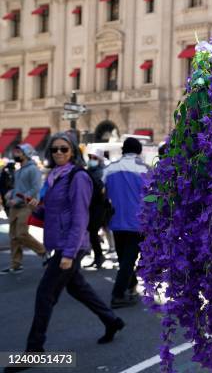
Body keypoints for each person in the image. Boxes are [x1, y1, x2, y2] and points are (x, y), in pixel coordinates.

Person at [5, 133, 124, 373]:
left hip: (71, 245)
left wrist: (69, 254)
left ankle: (34, 350)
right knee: (78, 288)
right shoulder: (54, 178)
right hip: (60, 243)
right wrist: (36, 209)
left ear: (73, 152)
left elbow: (80, 217)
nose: (58, 153)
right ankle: (112, 321)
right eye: (54, 149)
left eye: (64, 149)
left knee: (44, 295)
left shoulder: (77, 177)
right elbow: (52, 214)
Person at [103, 137, 148, 308]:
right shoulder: (145, 169)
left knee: (124, 259)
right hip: (137, 222)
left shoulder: (110, 168)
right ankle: (118, 294)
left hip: (115, 220)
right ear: (139, 151)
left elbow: (101, 189)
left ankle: (130, 285)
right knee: (128, 260)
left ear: (123, 150)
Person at [1, 144, 47, 274]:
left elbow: (35, 188)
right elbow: (18, 188)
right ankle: (15, 265)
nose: (15, 154)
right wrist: (11, 193)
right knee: (13, 237)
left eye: (18, 152)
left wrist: (19, 198)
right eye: (15, 152)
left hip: (26, 206)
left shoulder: (33, 169)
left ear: (26, 154)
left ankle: (43, 251)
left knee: (21, 233)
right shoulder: (19, 170)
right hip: (15, 206)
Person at [84, 149, 109, 269]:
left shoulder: (102, 172)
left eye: (94, 158)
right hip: (90, 206)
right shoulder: (89, 171)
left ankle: (99, 256)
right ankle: (98, 256)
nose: (91, 160)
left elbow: (102, 191)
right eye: (90, 158)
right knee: (92, 232)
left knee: (93, 231)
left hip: (99, 206)